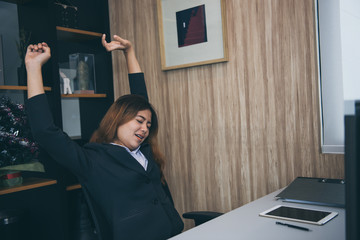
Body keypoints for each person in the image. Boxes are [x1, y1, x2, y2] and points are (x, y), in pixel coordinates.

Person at [25, 35, 184, 240]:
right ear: (119, 118)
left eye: (148, 124)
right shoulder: (92, 161)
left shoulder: (143, 150)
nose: (144, 128)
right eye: (139, 121)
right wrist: (33, 67)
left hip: (174, 232)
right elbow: (45, 132)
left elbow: (140, 99)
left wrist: (129, 53)